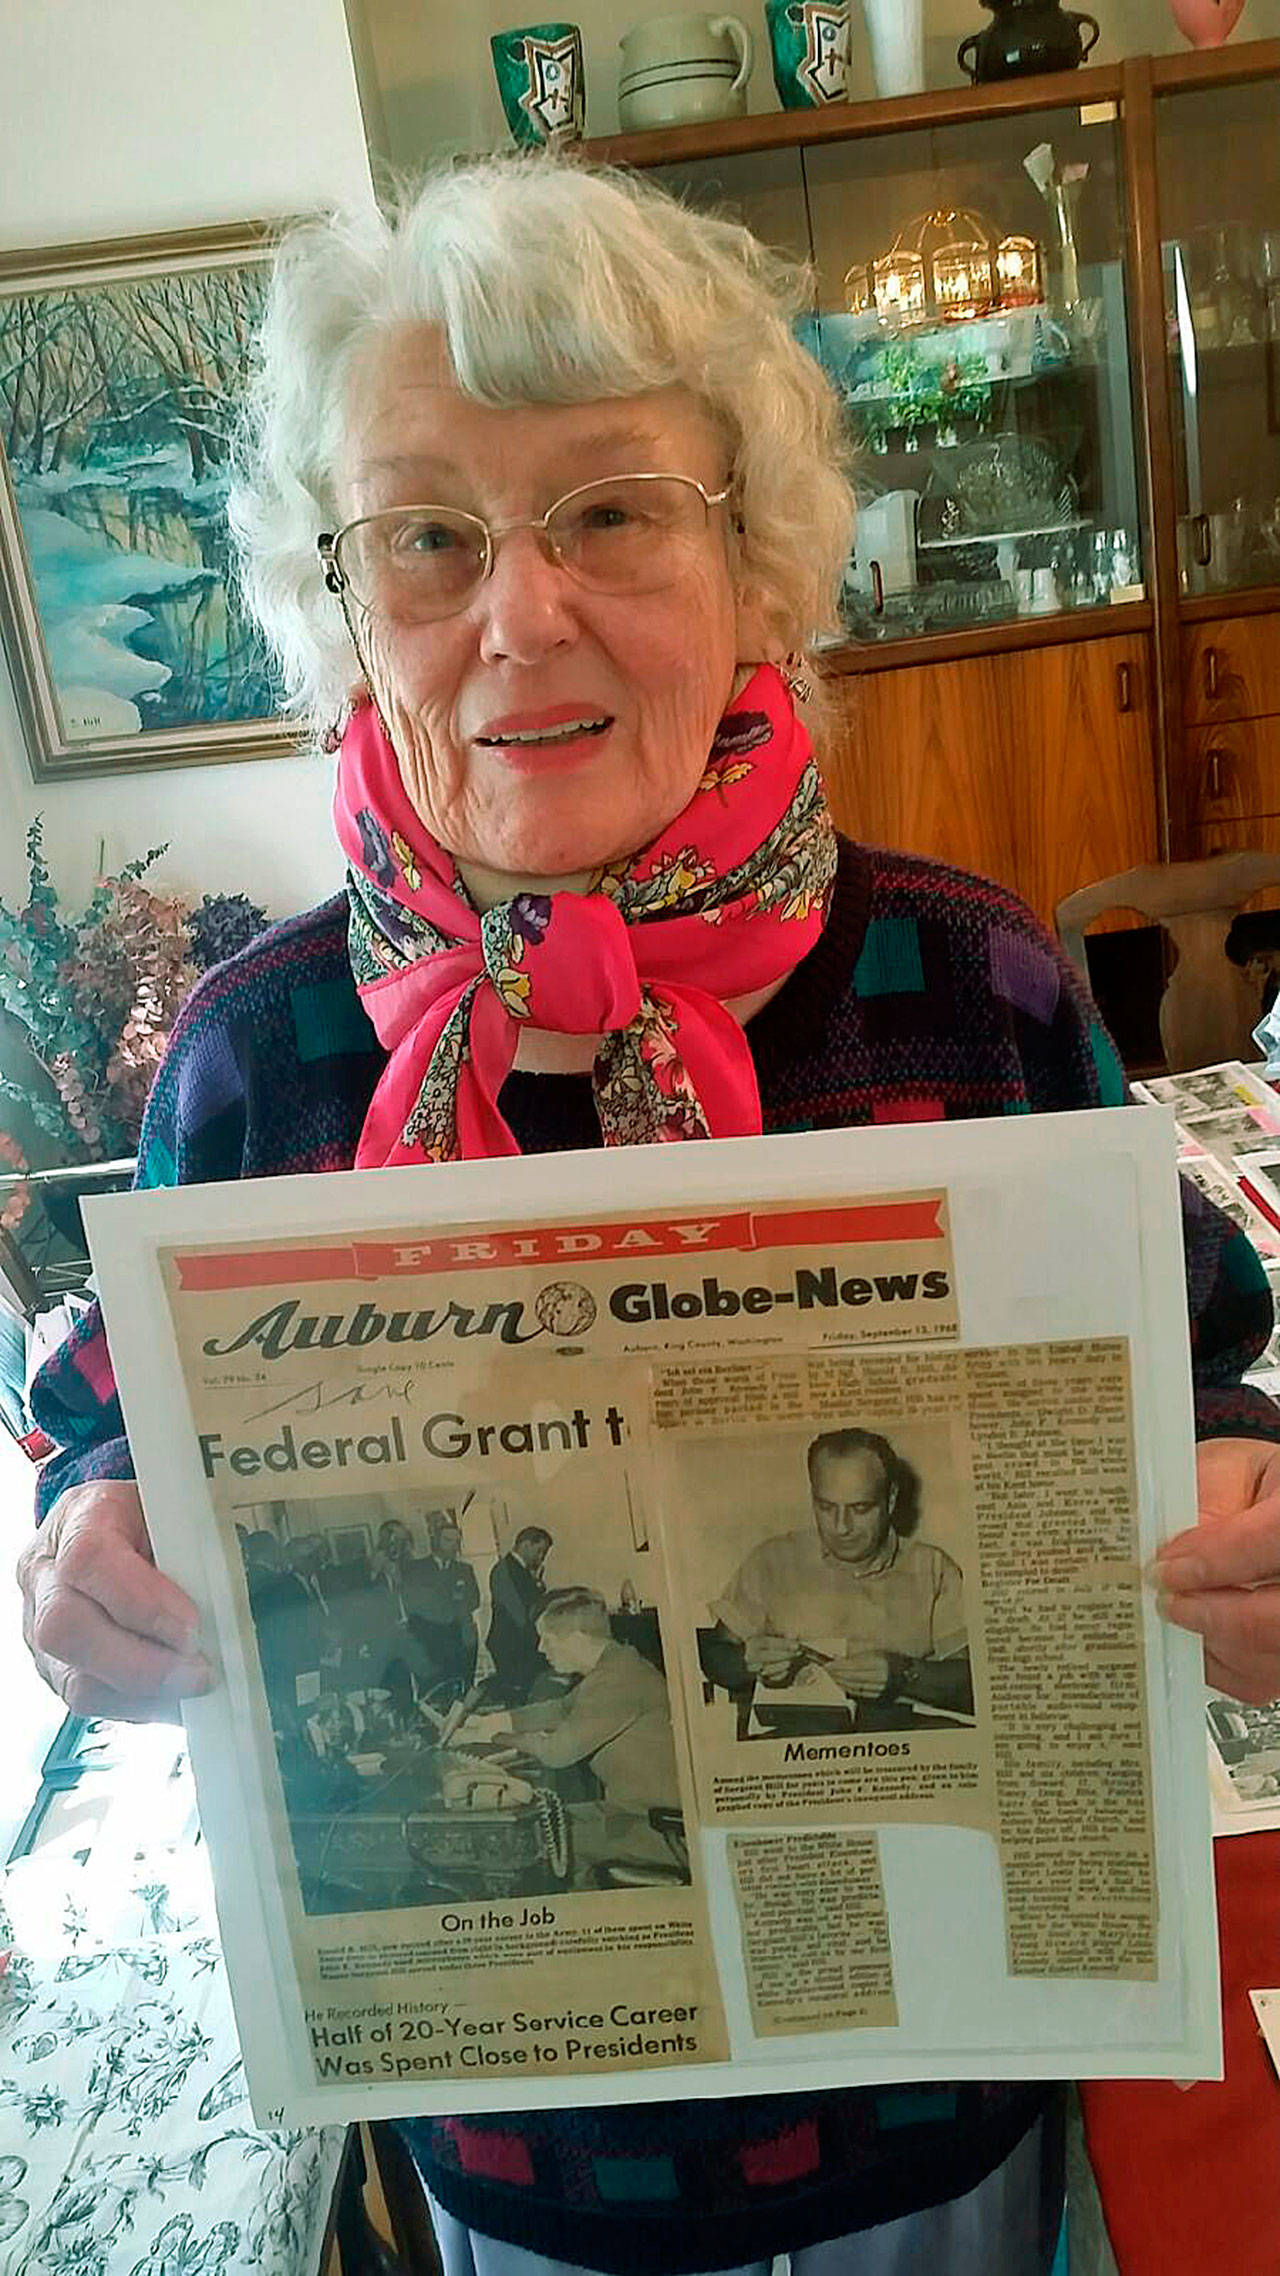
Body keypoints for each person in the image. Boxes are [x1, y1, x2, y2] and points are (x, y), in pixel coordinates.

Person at [16, 152, 1280, 2276]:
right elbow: (121, 1415)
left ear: (763, 565)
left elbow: (1201, 1349)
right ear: (340, 608)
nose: (520, 615)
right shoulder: (255, 1058)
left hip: (936, 2089)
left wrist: (1246, 1496)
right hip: (525, 2131)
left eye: (608, 511)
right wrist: (92, 1538)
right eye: (425, 536)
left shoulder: (970, 988)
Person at [706, 1427, 972, 1730]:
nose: (841, 1527)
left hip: (902, 1743)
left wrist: (904, 1674)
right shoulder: (772, 1560)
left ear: (891, 1499)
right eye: (826, 1507)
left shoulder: (933, 1568)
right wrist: (746, 1660)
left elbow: (970, 1681)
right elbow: (715, 1655)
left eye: (860, 1508)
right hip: (798, 1746)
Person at [454, 1588, 685, 1885]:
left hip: (659, 1827)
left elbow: (556, 1753)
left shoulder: (617, 1680)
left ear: (576, 1638)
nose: (540, 1648)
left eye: (547, 1639)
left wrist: (494, 1736)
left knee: (533, 1845)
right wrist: (498, 1720)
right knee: (543, 1821)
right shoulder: (617, 1664)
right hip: (634, 1810)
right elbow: (562, 1708)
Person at [486, 1524, 553, 1697]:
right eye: (539, 1551)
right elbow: (519, 1614)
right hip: (510, 1645)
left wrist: (537, 1583)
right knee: (520, 1696)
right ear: (525, 1545)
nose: (541, 1558)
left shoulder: (522, 1570)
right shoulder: (503, 1569)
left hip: (520, 1642)